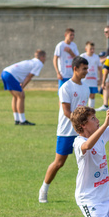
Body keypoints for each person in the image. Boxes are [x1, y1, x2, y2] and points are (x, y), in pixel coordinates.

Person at [39, 57, 91, 203]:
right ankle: (44, 189)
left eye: (87, 69)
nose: (86, 72)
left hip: (81, 132)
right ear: (75, 69)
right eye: (84, 69)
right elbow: (67, 111)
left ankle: (86, 194)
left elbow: (84, 110)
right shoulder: (66, 88)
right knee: (59, 163)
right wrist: (80, 122)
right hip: (66, 132)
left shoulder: (85, 87)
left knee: (87, 162)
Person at [2, 50, 46, 125]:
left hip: (5, 72)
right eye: (45, 57)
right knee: (21, 96)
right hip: (10, 75)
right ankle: (22, 121)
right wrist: (22, 86)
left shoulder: (32, 61)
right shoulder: (39, 63)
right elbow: (29, 76)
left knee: (16, 96)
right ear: (42, 57)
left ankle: (17, 119)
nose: (45, 59)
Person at [80, 41, 103, 109]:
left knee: (92, 95)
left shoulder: (96, 57)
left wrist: (100, 79)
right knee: (83, 95)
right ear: (86, 49)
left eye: (93, 49)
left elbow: (100, 68)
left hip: (93, 80)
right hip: (84, 80)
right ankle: (82, 109)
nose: (92, 50)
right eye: (91, 49)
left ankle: (90, 110)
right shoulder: (82, 56)